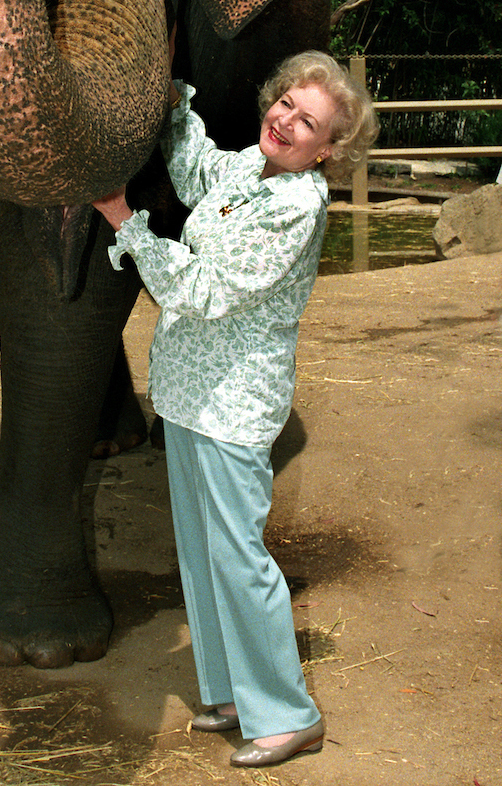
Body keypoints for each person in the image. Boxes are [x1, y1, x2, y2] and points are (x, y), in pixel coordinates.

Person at [93, 50, 378, 768]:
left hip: (232, 406)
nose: (284, 121)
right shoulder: (254, 168)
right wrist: (171, 100)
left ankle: (287, 714)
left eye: (305, 121)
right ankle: (229, 693)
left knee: (239, 559)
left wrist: (123, 220)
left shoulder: (293, 206)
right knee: (202, 553)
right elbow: (198, 172)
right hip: (189, 393)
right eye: (285, 103)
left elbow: (201, 291)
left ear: (329, 149)